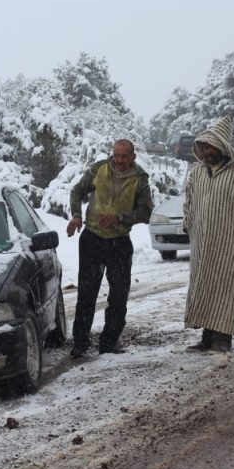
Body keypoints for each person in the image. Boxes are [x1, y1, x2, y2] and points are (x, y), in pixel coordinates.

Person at [184, 117, 234, 352]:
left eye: (212, 147)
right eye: (205, 147)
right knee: (203, 286)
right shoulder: (197, 174)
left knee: (226, 287)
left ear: (223, 148)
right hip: (202, 243)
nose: (208, 152)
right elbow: (189, 202)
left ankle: (223, 337)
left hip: (231, 244)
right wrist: (190, 226)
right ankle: (207, 336)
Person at [66, 139, 153, 357]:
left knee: (119, 294)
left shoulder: (140, 180)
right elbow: (77, 191)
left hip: (119, 242)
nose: (120, 160)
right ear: (112, 155)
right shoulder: (98, 169)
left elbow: (146, 212)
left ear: (133, 157)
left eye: (125, 156)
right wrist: (76, 216)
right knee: (87, 293)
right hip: (92, 239)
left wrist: (120, 218)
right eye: (116, 155)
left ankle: (109, 341)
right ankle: (80, 343)